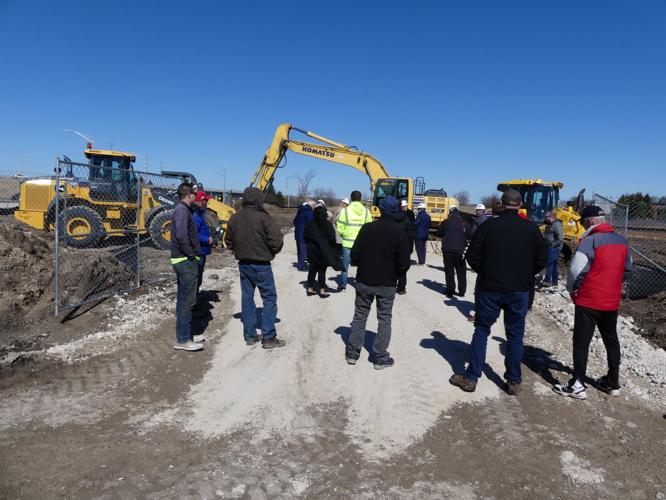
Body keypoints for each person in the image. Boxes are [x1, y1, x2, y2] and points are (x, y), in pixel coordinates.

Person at [450, 189, 548, 395]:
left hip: (490, 288)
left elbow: (472, 256)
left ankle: (471, 377)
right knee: (514, 336)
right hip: (519, 290)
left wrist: (486, 272)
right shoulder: (531, 229)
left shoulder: (489, 227)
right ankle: (513, 380)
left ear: (502, 204)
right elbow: (542, 259)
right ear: (520, 205)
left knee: (482, 330)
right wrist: (525, 274)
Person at [553, 206, 632, 400]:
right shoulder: (622, 242)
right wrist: (612, 282)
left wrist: (571, 290)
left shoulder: (590, 241)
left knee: (581, 342)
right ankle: (613, 382)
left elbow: (575, 271)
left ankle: (578, 384)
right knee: (611, 341)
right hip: (611, 302)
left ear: (589, 221)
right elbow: (628, 269)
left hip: (589, 300)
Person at [345, 196, 410, 369]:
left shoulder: (367, 228)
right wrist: (396, 275)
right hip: (387, 284)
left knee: (360, 316)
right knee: (384, 319)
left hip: (365, 281)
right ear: (396, 210)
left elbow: (354, 256)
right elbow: (404, 263)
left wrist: (365, 265)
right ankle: (380, 357)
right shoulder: (399, 232)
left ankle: (353, 352)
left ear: (380, 210)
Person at [225, 187, 286, 349]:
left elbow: (228, 241)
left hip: (244, 265)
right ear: (259, 199)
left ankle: (250, 336)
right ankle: (268, 337)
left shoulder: (235, 218)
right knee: (269, 299)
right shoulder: (264, 218)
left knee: (247, 298)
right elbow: (277, 240)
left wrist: (236, 250)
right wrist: (272, 252)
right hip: (261, 265)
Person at [170, 183, 205, 351]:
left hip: (183, 259)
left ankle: (186, 334)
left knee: (184, 299)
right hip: (185, 261)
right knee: (188, 301)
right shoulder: (182, 211)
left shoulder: (182, 210)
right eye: (194, 194)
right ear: (188, 195)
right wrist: (191, 254)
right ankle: (183, 340)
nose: (196, 197)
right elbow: (182, 234)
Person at [335, 190, 372, 291]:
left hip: (347, 242)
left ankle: (343, 285)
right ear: (360, 198)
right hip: (361, 244)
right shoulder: (366, 211)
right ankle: (360, 284)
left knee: (345, 265)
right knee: (362, 265)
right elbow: (369, 227)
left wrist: (343, 234)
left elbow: (339, 225)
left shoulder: (345, 211)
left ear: (351, 198)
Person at [304, 205, 343, 297]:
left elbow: (305, 237)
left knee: (312, 269)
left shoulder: (310, 224)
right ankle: (322, 290)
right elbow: (333, 239)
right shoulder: (328, 225)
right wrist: (331, 247)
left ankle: (310, 288)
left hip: (312, 250)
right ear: (325, 213)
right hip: (324, 250)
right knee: (322, 270)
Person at [436, 205, 471, 297]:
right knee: (461, 272)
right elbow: (471, 235)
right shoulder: (465, 223)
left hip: (447, 250)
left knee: (449, 271)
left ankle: (450, 290)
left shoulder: (445, 222)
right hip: (460, 251)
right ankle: (462, 291)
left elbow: (439, 234)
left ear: (450, 213)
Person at [192, 190, 214, 294]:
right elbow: (193, 234)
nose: (207, 203)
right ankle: (193, 303)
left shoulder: (200, 214)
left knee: (199, 278)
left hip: (202, 251)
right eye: (206, 200)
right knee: (196, 278)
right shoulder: (196, 216)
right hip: (198, 252)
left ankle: (194, 299)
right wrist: (207, 239)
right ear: (201, 201)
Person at [396, 199, 416, 294]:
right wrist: (410, 247)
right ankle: (401, 288)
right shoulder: (408, 218)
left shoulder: (394, 217)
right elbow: (410, 234)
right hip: (405, 245)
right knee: (403, 268)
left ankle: (393, 285)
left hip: (396, 245)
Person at [542, 211, 564, 286]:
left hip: (554, 248)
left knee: (549, 263)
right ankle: (555, 281)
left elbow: (560, 237)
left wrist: (553, 245)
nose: (545, 218)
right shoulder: (549, 225)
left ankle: (547, 280)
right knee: (554, 264)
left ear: (551, 217)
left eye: (546, 217)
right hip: (550, 247)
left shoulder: (557, 225)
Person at [293, 200, 315, 271]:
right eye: (314, 206)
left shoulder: (300, 211)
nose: (314, 208)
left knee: (299, 251)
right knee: (303, 252)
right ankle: (301, 267)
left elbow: (294, 221)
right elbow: (311, 224)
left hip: (297, 233)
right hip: (303, 235)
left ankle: (300, 265)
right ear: (311, 205)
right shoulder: (309, 212)